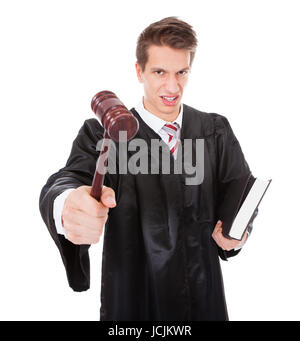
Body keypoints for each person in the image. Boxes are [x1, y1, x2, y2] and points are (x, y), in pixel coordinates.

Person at [39, 16, 254, 321]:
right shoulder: (106, 135)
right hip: (136, 307)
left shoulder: (213, 130)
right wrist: (67, 204)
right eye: (159, 72)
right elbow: (68, 180)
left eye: (182, 72)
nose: (172, 85)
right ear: (139, 71)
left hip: (204, 302)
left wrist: (236, 233)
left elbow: (239, 192)